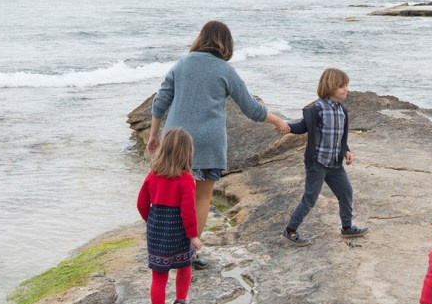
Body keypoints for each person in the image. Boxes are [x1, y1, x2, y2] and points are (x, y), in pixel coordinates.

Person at [146, 20, 290, 267]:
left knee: (173, 197)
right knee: (201, 198)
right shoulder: (225, 70)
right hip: (208, 143)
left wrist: (154, 134)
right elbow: (251, 108)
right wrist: (277, 120)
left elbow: (160, 102)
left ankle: (168, 249)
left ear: (201, 38)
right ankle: (190, 253)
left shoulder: (181, 65)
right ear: (226, 44)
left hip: (176, 143)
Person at [281, 67, 367, 246]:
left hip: (335, 164)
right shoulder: (317, 109)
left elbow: (340, 136)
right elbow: (303, 126)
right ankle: (290, 230)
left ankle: (347, 228)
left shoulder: (342, 111)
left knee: (346, 192)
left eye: (347, 85)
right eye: (342, 86)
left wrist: (346, 151)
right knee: (310, 197)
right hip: (318, 163)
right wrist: (287, 127)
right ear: (330, 86)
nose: (346, 89)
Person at [137, 127, 203, 304]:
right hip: (178, 231)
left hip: (157, 230)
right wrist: (193, 235)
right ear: (187, 153)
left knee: (159, 276)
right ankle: (180, 302)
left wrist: (151, 221)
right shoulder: (186, 179)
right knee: (185, 264)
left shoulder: (152, 176)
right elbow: (188, 211)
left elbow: (141, 203)